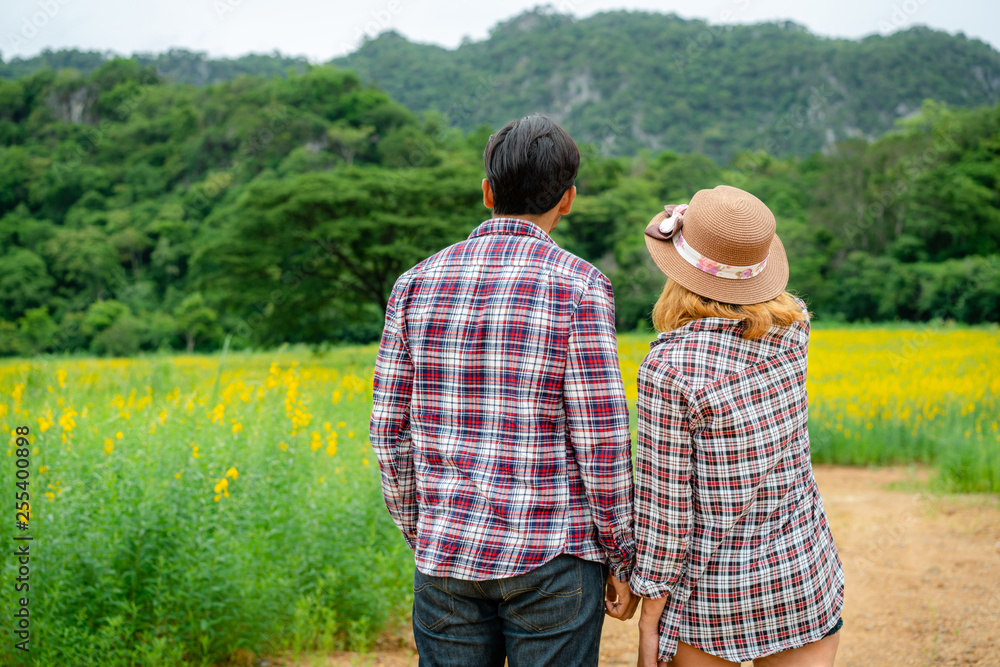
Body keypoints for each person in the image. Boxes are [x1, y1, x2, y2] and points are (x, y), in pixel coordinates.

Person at [369, 114, 637, 667]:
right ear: (568, 200)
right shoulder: (580, 285)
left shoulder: (414, 283)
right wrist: (620, 554)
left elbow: (387, 431)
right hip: (554, 559)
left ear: (486, 190)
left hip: (446, 554)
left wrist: (425, 529)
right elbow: (602, 440)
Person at [631, 185, 845, 667]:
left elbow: (666, 513)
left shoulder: (669, 370)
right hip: (802, 575)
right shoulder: (796, 330)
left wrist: (650, 610)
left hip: (712, 597)